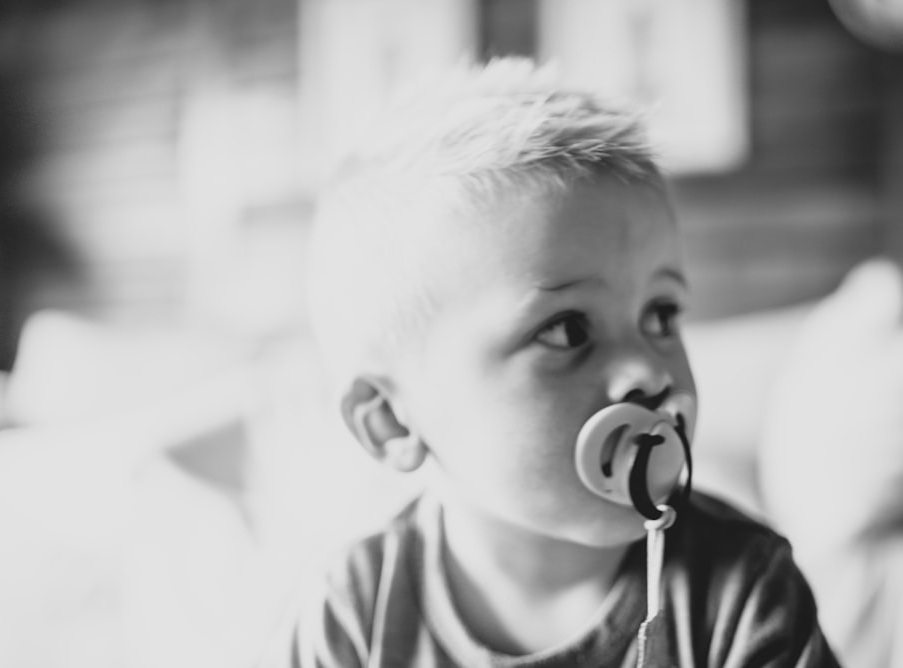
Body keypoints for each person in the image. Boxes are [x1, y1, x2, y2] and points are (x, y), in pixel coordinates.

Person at [262, 58, 840, 667]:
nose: (648, 370)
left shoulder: (742, 591)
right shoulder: (352, 615)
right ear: (392, 421)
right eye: (567, 329)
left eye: (661, 315)